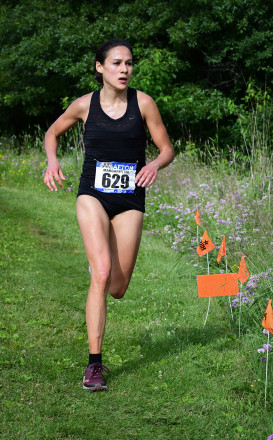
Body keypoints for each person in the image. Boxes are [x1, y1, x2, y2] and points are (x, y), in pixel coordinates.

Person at [44, 39, 174, 391]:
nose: (124, 70)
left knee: (117, 288)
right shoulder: (85, 105)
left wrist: (155, 164)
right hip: (93, 196)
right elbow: (52, 132)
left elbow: (166, 148)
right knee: (101, 273)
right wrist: (52, 161)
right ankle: (94, 365)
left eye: (129, 63)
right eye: (117, 63)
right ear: (100, 67)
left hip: (130, 199)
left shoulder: (144, 103)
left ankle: (100, 266)